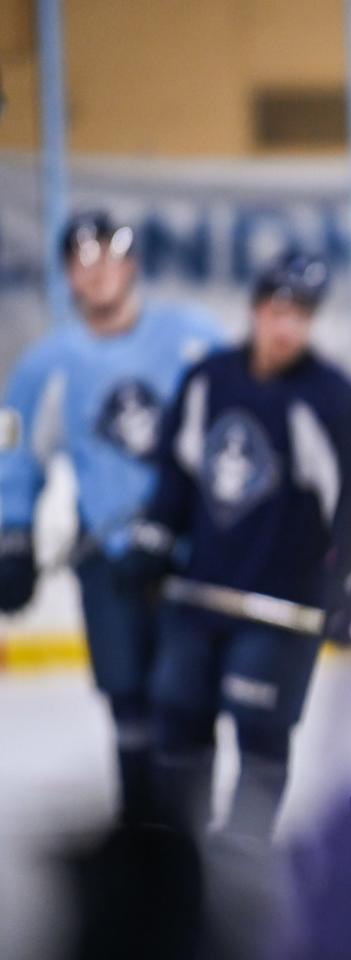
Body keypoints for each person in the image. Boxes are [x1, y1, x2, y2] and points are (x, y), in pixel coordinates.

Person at [121, 250, 351, 842]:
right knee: (177, 719)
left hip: (280, 609)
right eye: (278, 308)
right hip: (201, 597)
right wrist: (154, 542)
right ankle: (177, 861)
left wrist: (349, 578)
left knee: (260, 732)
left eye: (302, 313)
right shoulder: (208, 380)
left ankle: (239, 869)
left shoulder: (333, 400)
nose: (286, 325)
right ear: (257, 307)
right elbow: (176, 481)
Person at [0, 210, 222, 823]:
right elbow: (15, 454)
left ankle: (193, 849)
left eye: (108, 257)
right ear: (68, 275)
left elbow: (240, 424)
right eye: (82, 261)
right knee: (128, 703)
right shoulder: (46, 365)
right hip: (108, 557)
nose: (97, 274)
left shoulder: (193, 337)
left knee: (189, 701)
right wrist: (13, 536)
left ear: (132, 265)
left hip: (190, 552)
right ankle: (140, 842)